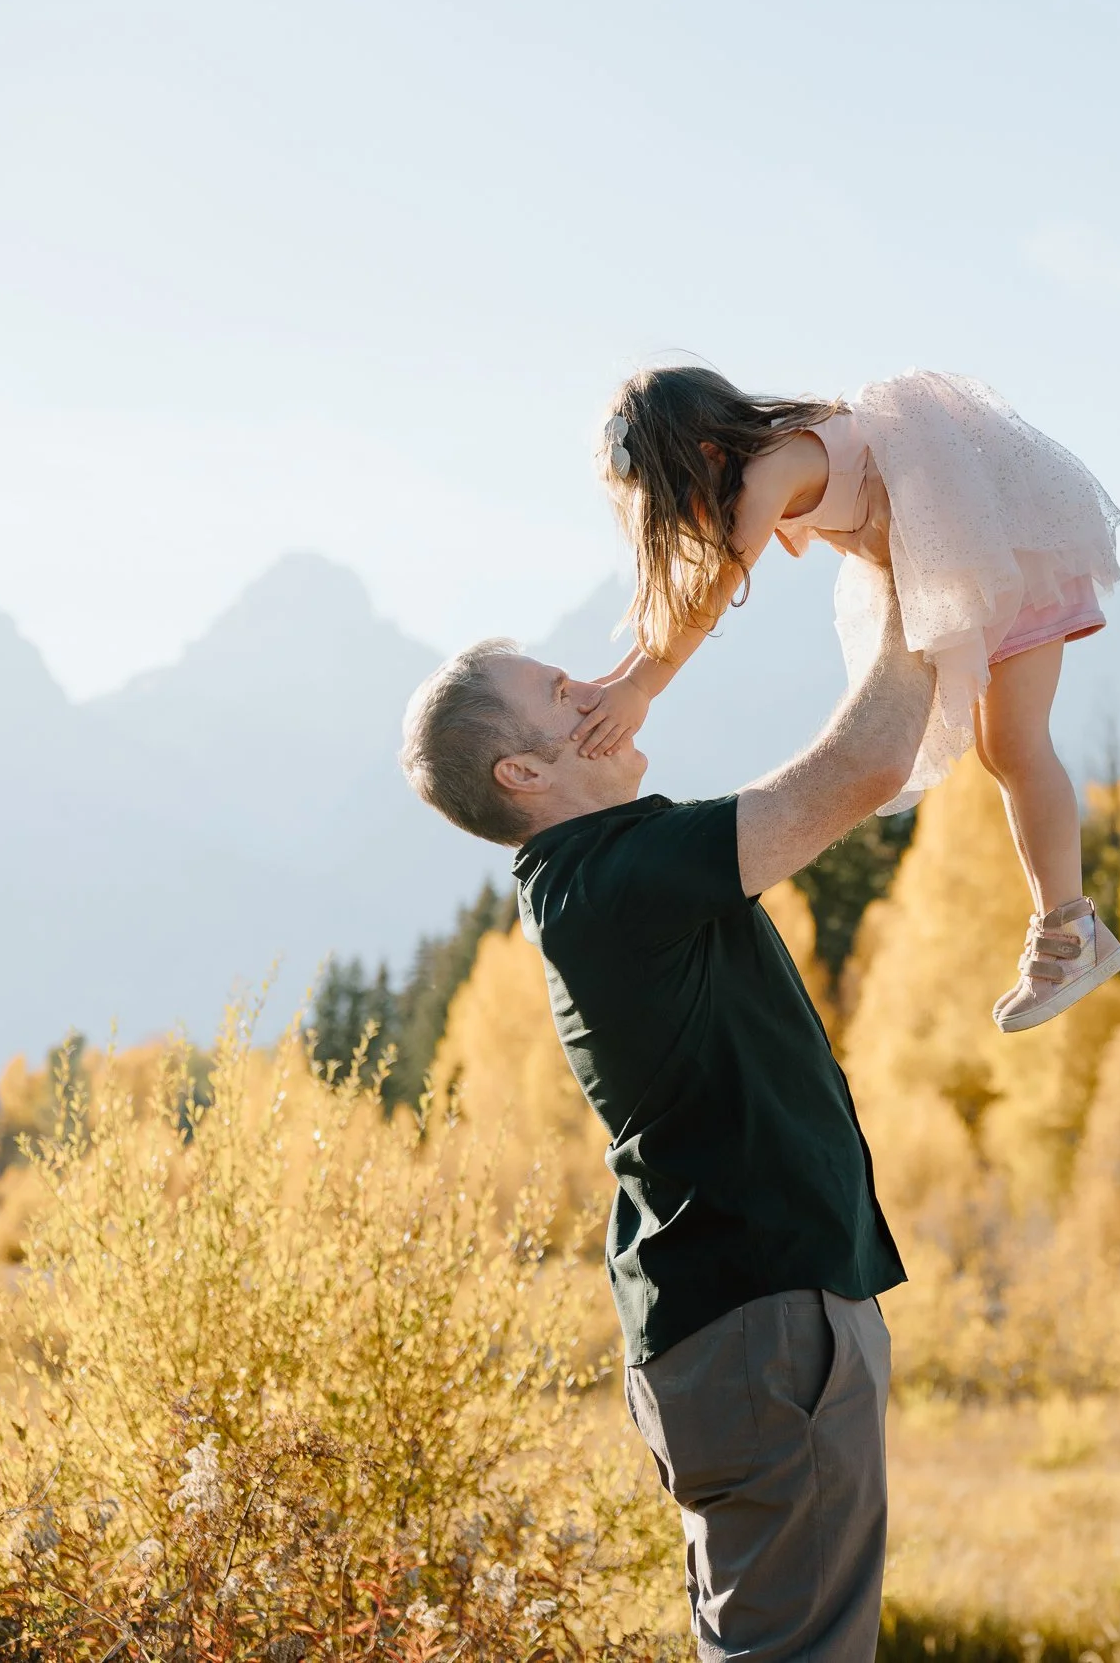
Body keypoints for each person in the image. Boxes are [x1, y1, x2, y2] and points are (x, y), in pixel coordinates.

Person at [398, 548, 932, 1663]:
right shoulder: (612, 879)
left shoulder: (603, 875)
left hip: (748, 1321)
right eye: (562, 692)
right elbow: (866, 767)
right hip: (762, 1322)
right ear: (521, 772)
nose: (597, 689)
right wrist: (915, 576)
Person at [566, 363, 1120, 1033]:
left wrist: (639, 688)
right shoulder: (773, 456)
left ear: (709, 455)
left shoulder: (770, 469)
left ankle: (1070, 931)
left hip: (1005, 545)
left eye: (679, 495)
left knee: (1014, 745)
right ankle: (1064, 930)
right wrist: (621, 679)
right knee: (1003, 748)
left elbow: (714, 587)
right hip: (976, 551)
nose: (688, 516)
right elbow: (690, 593)